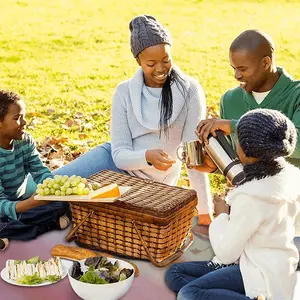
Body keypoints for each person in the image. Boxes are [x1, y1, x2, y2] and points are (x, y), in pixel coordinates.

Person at [51, 15, 214, 225]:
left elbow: (193, 156)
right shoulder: (124, 92)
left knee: (75, 208)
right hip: (113, 163)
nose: (160, 68)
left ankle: (58, 217)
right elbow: (119, 155)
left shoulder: (190, 90)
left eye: (166, 60)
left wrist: (204, 213)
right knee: (49, 188)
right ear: (138, 60)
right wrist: (146, 156)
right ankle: (14, 211)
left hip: (148, 186)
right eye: (151, 63)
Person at [165, 108, 300, 300]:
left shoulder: (251, 197)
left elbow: (226, 253)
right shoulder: (291, 177)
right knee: (175, 274)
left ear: (245, 150)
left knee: (189, 293)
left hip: (259, 272)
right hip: (275, 265)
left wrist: (222, 215)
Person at [196, 29, 300, 255]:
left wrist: (236, 125)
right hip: (248, 208)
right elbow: (242, 160)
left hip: (289, 210)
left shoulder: (296, 95)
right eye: (233, 68)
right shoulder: (231, 99)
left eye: (242, 69)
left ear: (266, 62)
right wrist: (215, 166)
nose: (236, 76)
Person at [0, 90, 70, 246]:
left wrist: (53, 189)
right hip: (6, 206)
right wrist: (32, 203)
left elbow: (40, 171)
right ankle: (49, 225)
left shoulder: (25, 141)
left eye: (24, 116)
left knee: (63, 203)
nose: (24, 122)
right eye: (17, 118)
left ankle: (10, 232)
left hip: (21, 202)